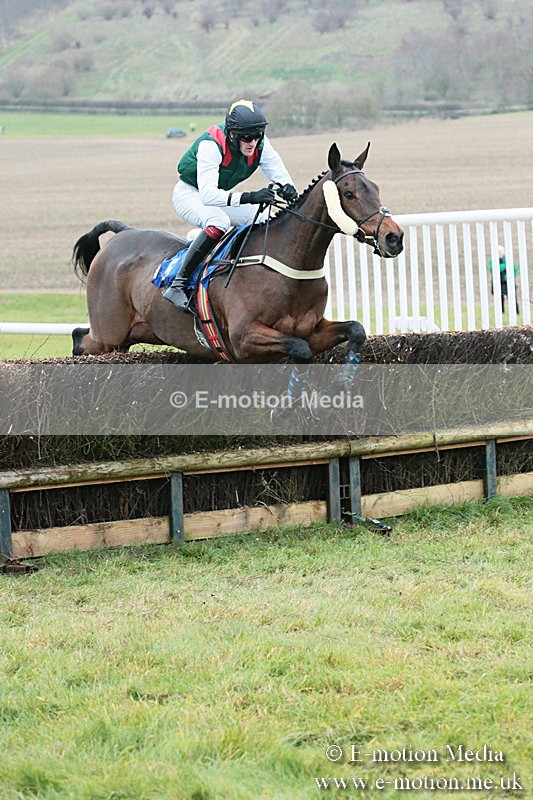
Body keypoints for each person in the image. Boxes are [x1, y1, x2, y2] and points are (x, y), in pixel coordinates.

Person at [163, 99, 297, 310]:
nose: (253, 143)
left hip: (219, 195)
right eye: (247, 137)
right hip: (190, 194)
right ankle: (178, 284)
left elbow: (281, 177)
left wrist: (288, 188)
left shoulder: (261, 144)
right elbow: (208, 195)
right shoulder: (211, 145)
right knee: (219, 221)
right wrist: (250, 197)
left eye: (257, 135)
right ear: (232, 135)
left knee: (267, 217)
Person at [489, 245, 519, 314]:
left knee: (512, 297)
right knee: (499, 298)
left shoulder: (508, 260)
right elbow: (494, 268)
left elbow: (514, 269)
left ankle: (516, 312)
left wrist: (509, 277)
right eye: (498, 252)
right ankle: (501, 312)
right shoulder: (492, 261)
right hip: (498, 282)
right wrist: (505, 265)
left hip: (508, 282)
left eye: (500, 252)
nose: (499, 254)